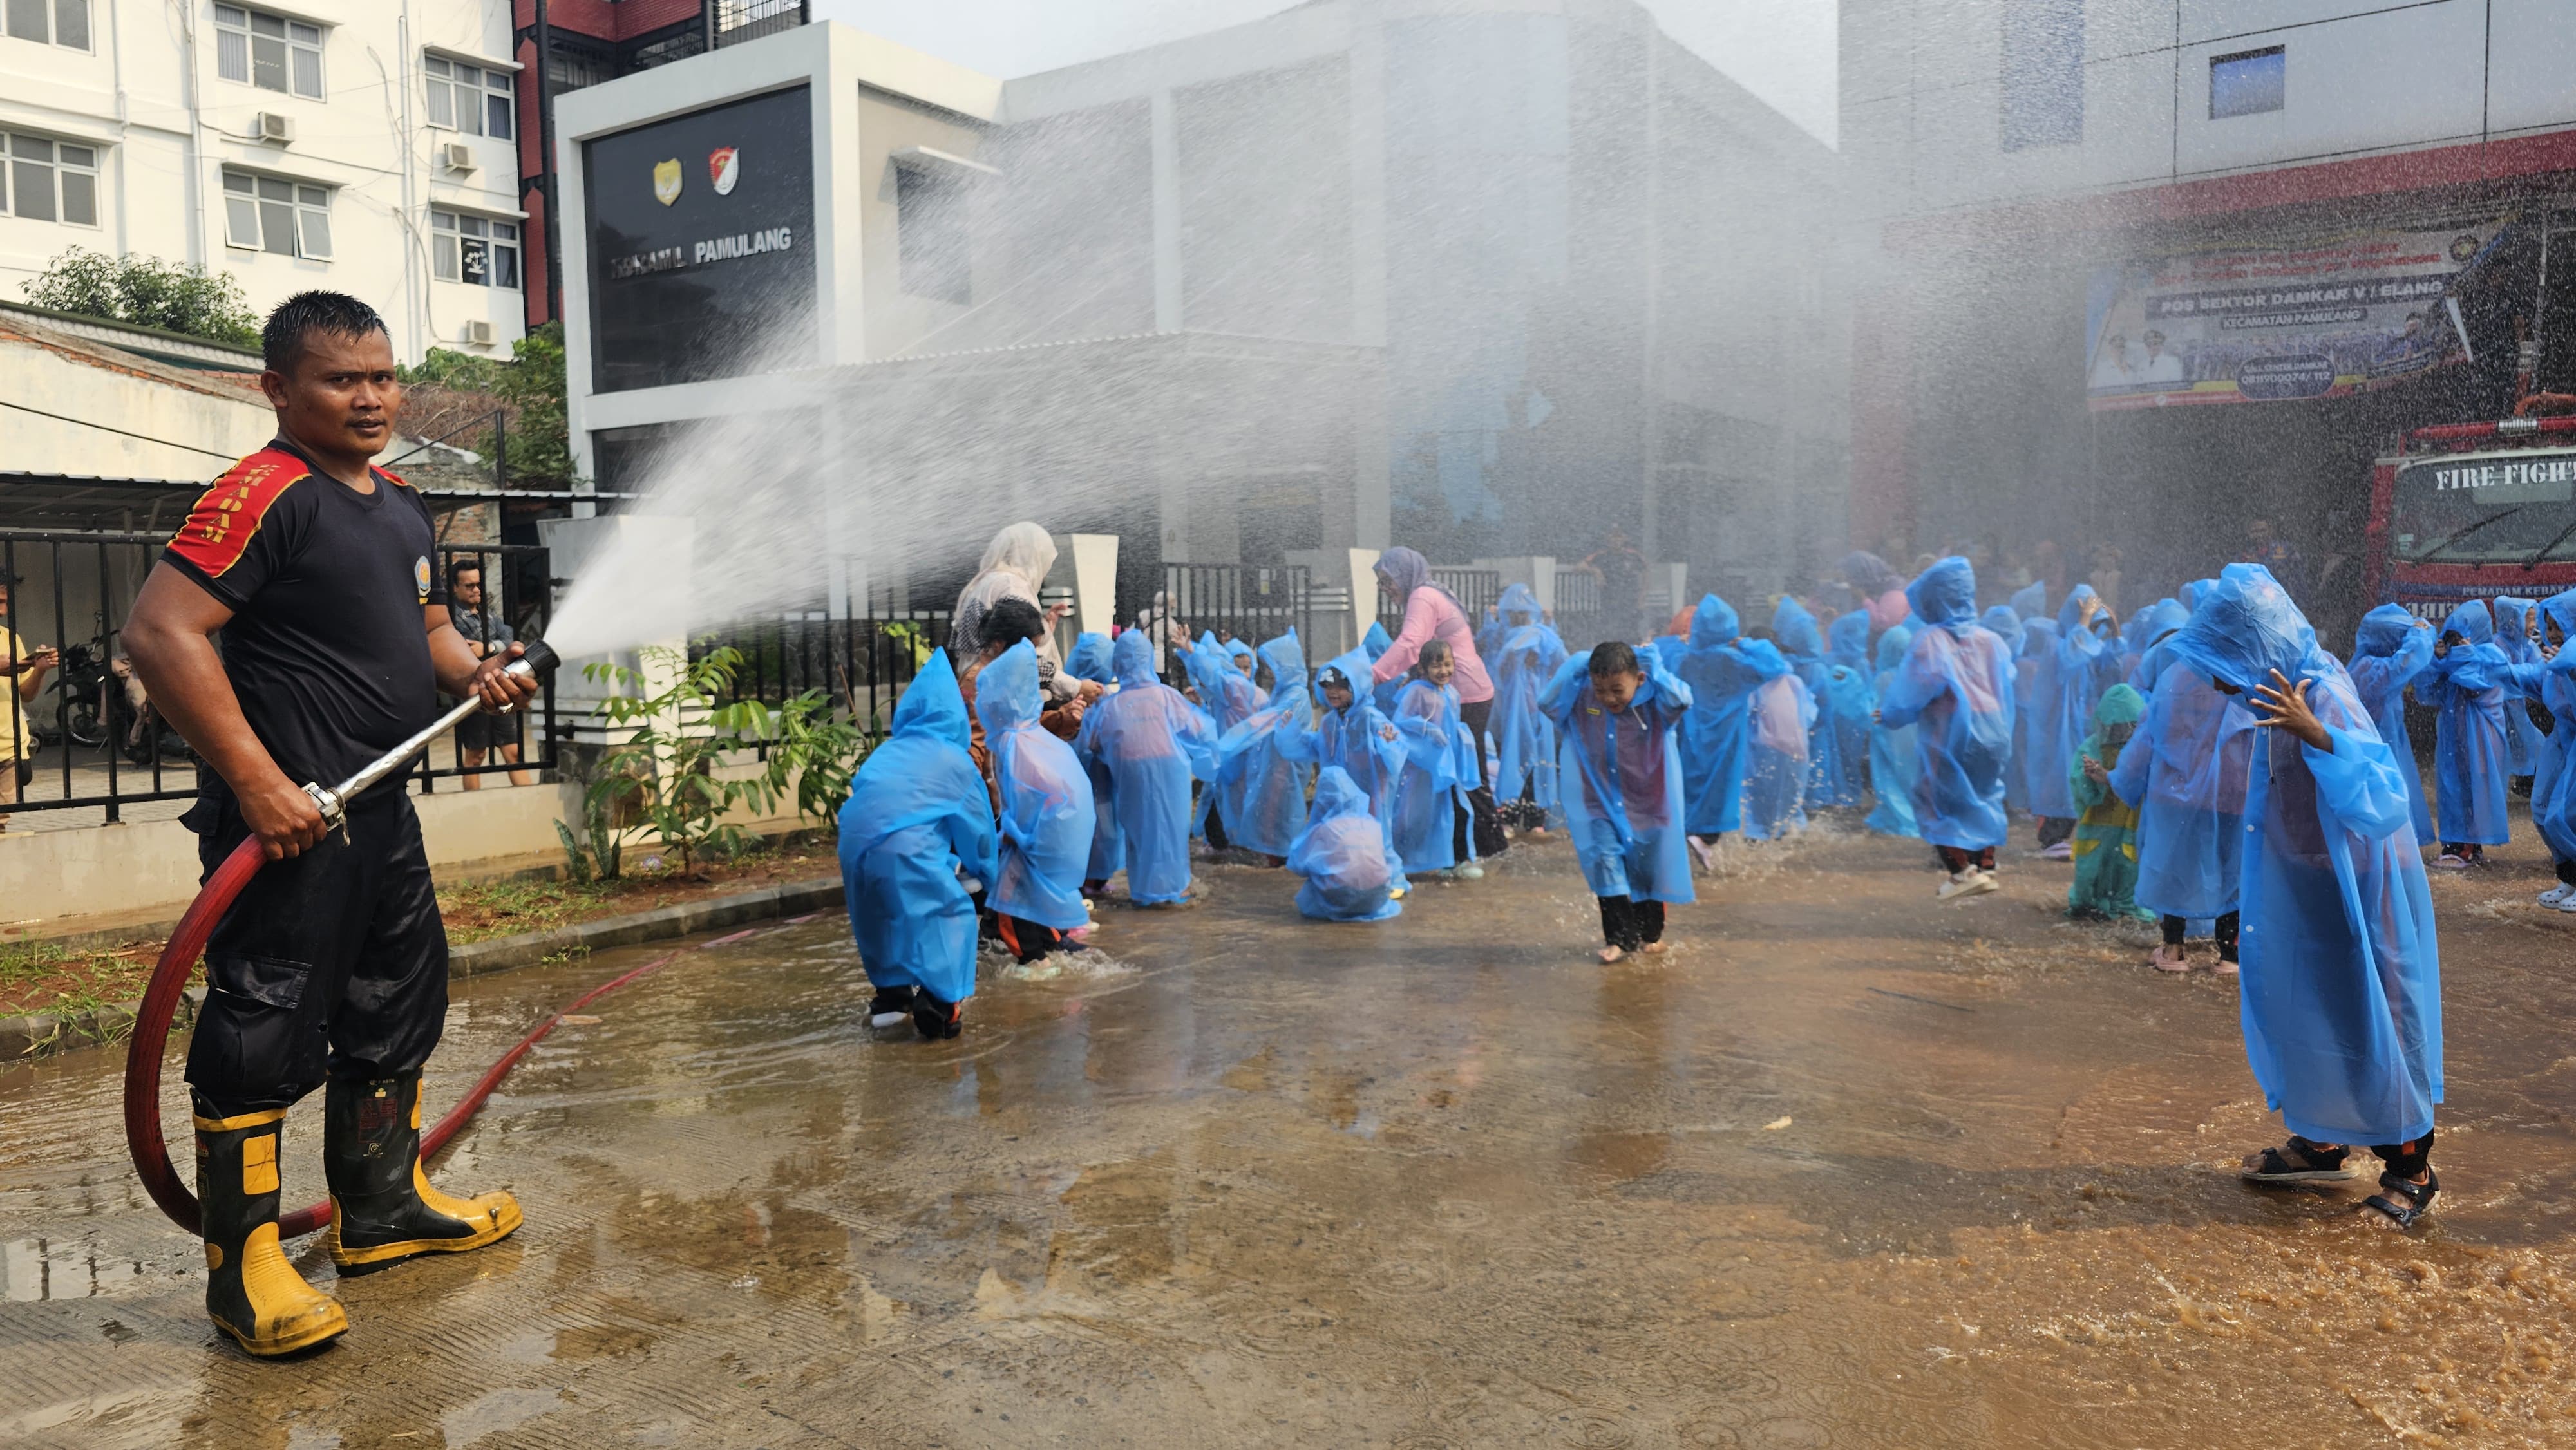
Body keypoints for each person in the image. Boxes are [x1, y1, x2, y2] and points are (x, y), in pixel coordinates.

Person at [119, 292, 541, 1356]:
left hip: (379, 809)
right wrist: (262, 784)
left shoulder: (400, 502)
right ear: (279, 389)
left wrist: (473, 674)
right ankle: (245, 1268)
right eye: (341, 380)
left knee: (397, 1000)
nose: (371, 398)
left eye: (384, 377)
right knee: (261, 1023)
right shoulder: (264, 495)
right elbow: (163, 633)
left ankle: (382, 1207)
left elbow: (429, 625)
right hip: (290, 824)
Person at [2164, 565, 2442, 1231]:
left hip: (2359, 892)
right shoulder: (2273, 699)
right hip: (2307, 885)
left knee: (2375, 1013)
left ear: (2256, 652)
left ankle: (2412, 1169)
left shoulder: (2319, 692)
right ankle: (2321, 1140)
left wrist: (2315, 731)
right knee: (2308, 1009)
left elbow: (2383, 796)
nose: (2216, 681)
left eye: (2224, 664)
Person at [840, 648, 995, 1043]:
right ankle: (940, 1005)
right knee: (948, 914)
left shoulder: (885, 752)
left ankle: (891, 1000)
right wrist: (990, 878)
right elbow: (977, 835)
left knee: (881, 918)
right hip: (905, 853)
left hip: (855, 854)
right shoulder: (954, 761)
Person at [1539, 641, 1694, 963]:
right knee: (1606, 862)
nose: (1608, 698)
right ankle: (1619, 939)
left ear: (1639, 679)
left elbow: (1682, 700)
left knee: (1646, 872)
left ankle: (1650, 935)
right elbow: (1547, 702)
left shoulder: (1656, 705)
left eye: (1616, 689)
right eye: (1600, 689)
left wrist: (1656, 667)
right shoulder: (1582, 700)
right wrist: (1575, 665)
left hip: (1649, 804)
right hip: (1599, 801)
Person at [1876, 556, 2016, 901]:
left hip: (1955, 729)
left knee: (1932, 798)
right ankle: (1986, 866)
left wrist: (1891, 714)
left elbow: (1915, 688)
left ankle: (1960, 873)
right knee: (1983, 794)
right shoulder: (1991, 639)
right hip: (1996, 731)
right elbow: (2006, 679)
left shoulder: (1932, 640)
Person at [2114, 646, 2255, 973]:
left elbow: (2146, 740)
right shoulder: (2240, 679)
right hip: (2231, 796)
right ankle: (2228, 955)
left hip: (2175, 795)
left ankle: (2174, 949)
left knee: (2173, 868)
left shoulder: (2175, 679)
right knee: (2232, 870)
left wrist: (2121, 779)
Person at [1075, 632, 1218, 906]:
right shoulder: (1166, 696)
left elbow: (1094, 745)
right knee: (1172, 831)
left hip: (1131, 775)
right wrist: (1208, 763)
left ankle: (1144, 893)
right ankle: (1175, 891)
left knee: (1139, 831)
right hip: (1171, 772)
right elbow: (1200, 732)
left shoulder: (1111, 705)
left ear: (1117, 664)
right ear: (1150, 660)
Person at [976, 640, 1097, 961]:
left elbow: (1021, 802)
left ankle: (1034, 962)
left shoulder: (1014, 743)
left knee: (1011, 902)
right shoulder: (1036, 736)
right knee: (1033, 897)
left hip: (1036, 839)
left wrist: (1011, 834)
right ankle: (1051, 944)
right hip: (1061, 840)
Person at [1370, 547, 1499, 809]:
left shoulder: (1422, 597)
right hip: (1466, 689)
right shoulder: (1427, 593)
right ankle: (1481, 842)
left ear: (1404, 575)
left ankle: (1482, 842)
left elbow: (1410, 643)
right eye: (1380, 583)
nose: (1384, 588)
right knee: (1465, 769)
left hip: (1463, 693)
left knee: (1463, 772)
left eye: (1387, 581)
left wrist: (1372, 676)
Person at [1285, 650, 1410, 894]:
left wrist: (1388, 744)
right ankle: (1348, 879)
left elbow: (1396, 748)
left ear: (1358, 686)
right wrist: (1289, 734)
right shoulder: (1330, 722)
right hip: (1341, 793)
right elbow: (1314, 747)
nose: (1333, 692)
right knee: (1341, 834)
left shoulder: (1371, 718)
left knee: (1377, 833)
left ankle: (1392, 879)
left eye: (1343, 686)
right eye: (1328, 686)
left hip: (1371, 787)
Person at [949, 523, 1088, 710]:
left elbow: (1002, 637)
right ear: (1032, 556)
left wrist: (1044, 626)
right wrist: (1075, 687)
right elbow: (1020, 654)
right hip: (1007, 701)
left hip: (979, 691)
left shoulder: (985, 583)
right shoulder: (1012, 586)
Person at [1672, 595, 1766, 856]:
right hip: (1727, 736)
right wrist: (1746, 644)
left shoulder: (1686, 658)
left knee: (1688, 784)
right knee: (1721, 789)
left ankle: (1687, 840)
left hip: (1691, 732)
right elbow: (1774, 664)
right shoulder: (1737, 661)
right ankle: (1706, 841)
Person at [2421, 600, 2513, 868]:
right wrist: (2436, 660)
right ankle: (2457, 843)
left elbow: (2475, 684)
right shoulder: (2456, 658)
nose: (2455, 643)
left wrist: (2460, 655)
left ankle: (2468, 846)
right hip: (2455, 736)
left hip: (2482, 738)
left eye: (2460, 635)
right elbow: (2428, 693)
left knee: (2476, 787)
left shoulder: (2492, 655)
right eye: (2451, 637)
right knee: (2452, 786)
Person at [2033, 586, 2121, 858]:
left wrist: (2114, 632)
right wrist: (2084, 621)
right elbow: (2071, 657)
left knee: (2077, 775)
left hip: (2076, 722)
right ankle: (2051, 839)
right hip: (2056, 724)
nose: (2093, 630)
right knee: (2059, 778)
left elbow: (2110, 664)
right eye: (2088, 622)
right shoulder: (2056, 643)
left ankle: (2061, 837)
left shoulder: (2082, 642)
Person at [1213, 632, 1315, 863]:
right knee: (1268, 806)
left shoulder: (1297, 694)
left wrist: (1231, 742)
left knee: (1278, 808)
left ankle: (1278, 853)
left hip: (1284, 765)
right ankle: (1271, 852)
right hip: (1274, 763)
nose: (1267, 672)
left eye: (1272, 666)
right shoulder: (1283, 691)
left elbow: (1267, 721)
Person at [1390, 639, 1482, 880]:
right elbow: (1400, 722)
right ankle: (1404, 860)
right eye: (1437, 666)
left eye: (1448, 664)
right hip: (1424, 768)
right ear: (1423, 668)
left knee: (1455, 811)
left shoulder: (1451, 693)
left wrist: (1463, 738)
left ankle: (1454, 861)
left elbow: (1452, 724)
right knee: (1416, 815)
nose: (1444, 671)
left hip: (1448, 766)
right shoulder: (1417, 691)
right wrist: (1426, 729)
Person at [2347, 605, 2437, 846]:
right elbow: (2408, 659)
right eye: (2401, 637)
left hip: (2386, 742)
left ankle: (2396, 848)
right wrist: (2421, 632)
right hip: (2376, 747)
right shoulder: (2369, 668)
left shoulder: (2377, 664)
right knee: (2383, 798)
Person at [444, 560, 533, 789]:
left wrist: (489, 647)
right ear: (455, 588)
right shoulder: (451, 619)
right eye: (469, 585)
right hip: (473, 692)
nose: (476, 589)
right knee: (476, 755)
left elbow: (511, 638)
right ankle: (474, 807)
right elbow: (462, 647)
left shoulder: (488, 614)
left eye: (478, 584)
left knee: (513, 752)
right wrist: (495, 645)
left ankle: (528, 805)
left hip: (500, 686)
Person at [1485, 583, 1567, 833]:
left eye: (1523, 613)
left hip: (1534, 709)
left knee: (1537, 760)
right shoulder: (1504, 637)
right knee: (1513, 758)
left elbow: (1561, 661)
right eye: (1514, 613)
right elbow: (1497, 657)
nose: (1519, 618)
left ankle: (1535, 819)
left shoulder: (1540, 635)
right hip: (1512, 711)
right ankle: (1511, 815)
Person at [2067, 684, 2152, 921]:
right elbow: (2080, 788)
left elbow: (2149, 783)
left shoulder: (2143, 748)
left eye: (2128, 726)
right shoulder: (2092, 747)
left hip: (2130, 823)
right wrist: (2090, 779)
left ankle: (2123, 908)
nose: (2122, 732)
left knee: (2127, 870)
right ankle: (2088, 906)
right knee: (2091, 871)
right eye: (2115, 727)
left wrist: (2106, 777)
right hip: (2098, 823)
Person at [1285, 766, 1401, 921]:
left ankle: (1335, 910)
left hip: (1341, 898)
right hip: (1377, 897)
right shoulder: (1372, 823)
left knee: (1314, 879)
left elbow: (1298, 865)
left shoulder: (1325, 829)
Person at [1, 566, 61, 833]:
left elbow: (25, 693)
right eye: (0, 602)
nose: (4, 610)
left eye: (6, 602)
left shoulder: (9, 638)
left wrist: (39, 669)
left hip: (10, 747)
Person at [1739, 634, 1813, 842]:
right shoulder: (1794, 680)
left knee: (1761, 802)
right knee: (1789, 804)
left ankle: (1760, 836)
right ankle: (1791, 832)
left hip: (1765, 751)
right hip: (1798, 750)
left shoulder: (1753, 683)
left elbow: (1744, 715)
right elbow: (1809, 715)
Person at [1864, 618, 1922, 839]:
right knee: (1915, 776)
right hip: (1916, 738)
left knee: (1890, 778)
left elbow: (1871, 709)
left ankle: (1897, 818)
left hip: (1887, 736)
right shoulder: (1917, 676)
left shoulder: (1883, 678)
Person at [1822, 612, 1877, 808]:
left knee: (1836, 758)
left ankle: (1839, 795)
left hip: (1832, 719)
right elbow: (1870, 694)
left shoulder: (1827, 659)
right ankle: (1852, 797)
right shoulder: (1861, 663)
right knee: (1853, 760)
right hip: (1857, 723)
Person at [1575, 528, 1649, 647]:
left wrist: (1642, 596)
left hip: (1631, 601)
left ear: (1625, 538)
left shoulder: (1633, 555)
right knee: (1609, 634)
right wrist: (1595, 570)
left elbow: (1646, 573)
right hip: (1609, 601)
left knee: (1632, 634)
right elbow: (1579, 567)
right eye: (1613, 536)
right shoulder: (1601, 555)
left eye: (1619, 536)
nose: (1616, 540)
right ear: (1608, 539)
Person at [1839, 551, 1911, 635]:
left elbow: (1883, 624)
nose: (1850, 581)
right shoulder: (1871, 587)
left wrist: (1864, 599)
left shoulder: (1894, 588)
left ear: (1864, 573)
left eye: (1851, 576)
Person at [2238, 518, 2305, 599]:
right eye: (2254, 532)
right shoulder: (2243, 554)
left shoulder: (2286, 549)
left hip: (2283, 600)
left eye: (2263, 530)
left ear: (2270, 530)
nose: (2259, 535)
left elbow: (2299, 578)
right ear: (2249, 533)